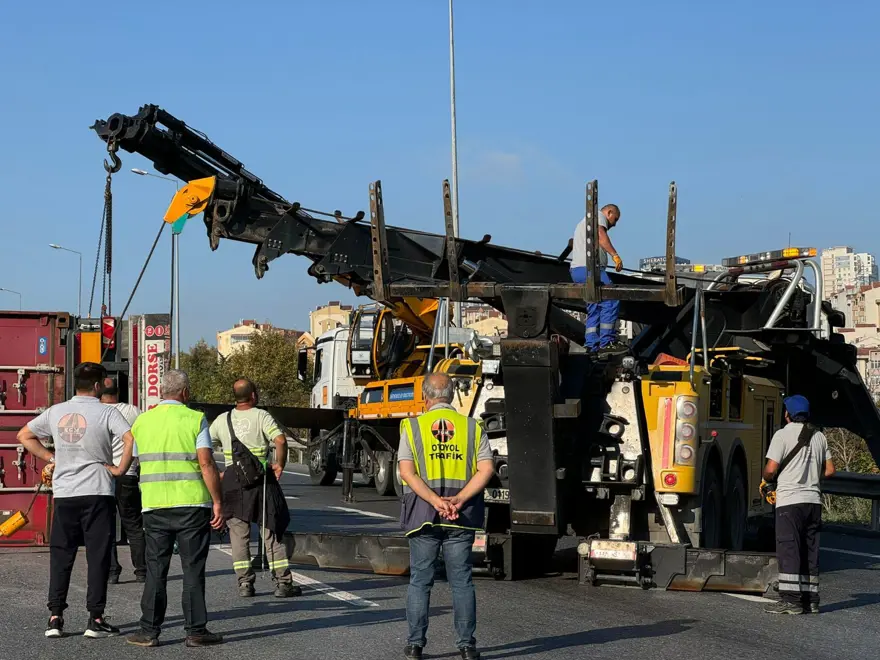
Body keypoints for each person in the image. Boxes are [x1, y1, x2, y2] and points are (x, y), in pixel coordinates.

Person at [16, 362, 134, 639]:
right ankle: (95, 618)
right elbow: (130, 439)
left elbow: (24, 435)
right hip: (97, 491)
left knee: (61, 555)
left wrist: (52, 458)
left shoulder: (56, 412)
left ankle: (55, 617)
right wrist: (120, 469)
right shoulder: (107, 412)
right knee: (98, 556)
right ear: (98, 385)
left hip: (65, 493)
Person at [398, 373, 495, 660]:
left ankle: (415, 646)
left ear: (425, 396)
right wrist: (459, 499)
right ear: (452, 395)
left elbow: (407, 472)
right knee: (462, 582)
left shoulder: (412, 426)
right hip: (461, 516)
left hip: (424, 515)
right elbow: (486, 469)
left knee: (420, 581)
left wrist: (435, 501)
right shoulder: (472, 427)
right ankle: (467, 647)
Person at [125, 370, 226, 648]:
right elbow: (206, 463)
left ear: (162, 392)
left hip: (154, 505)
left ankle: (149, 631)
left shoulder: (142, 422)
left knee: (156, 569)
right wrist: (218, 501)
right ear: (185, 392)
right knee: (192, 569)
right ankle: (195, 631)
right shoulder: (195, 418)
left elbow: (138, 461)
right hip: (191, 505)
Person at [209, 378, 301, 599]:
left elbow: (203, 446)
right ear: (253, 395)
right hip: (261, 482)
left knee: (238, 535)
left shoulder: (222, 420)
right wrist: (280, 464)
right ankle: (283, 582)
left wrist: (218, 472)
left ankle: (245, 584)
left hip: (232, 482)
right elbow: (280, 441)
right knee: (270, 530)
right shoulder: (261, 416)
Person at [762, 395, 835, 615]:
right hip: (813, 502)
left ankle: (791, 601)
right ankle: (812, 601)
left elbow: (771, 469)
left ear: (787, 414)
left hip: (789, 502)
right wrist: (811, 477)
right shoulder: (819, 436)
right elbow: (830, 470)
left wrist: (767, 480)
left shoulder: (782, 435)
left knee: (789, 549)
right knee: (810, 550)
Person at [100, 377, 146, 584]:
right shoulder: (133, 411)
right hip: (127, 474)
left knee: (106, 526)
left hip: (103, 476)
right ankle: (141, 571)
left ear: (99, 393)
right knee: (134, 526)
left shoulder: (96, 412)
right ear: (118, 392)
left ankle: (112, 572)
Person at [570, 203, 626, 355]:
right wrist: (615, 255)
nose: (614, 224)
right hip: (589, 268)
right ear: (609, 213)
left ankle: (591, 344)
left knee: (594, 303)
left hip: (577, 270)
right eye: (615, 219)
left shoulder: (584, 222)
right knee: (611, 298)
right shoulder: (597, 217)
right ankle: (606, 342)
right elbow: (601, 235)